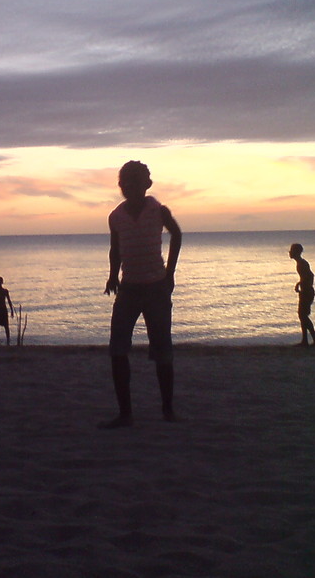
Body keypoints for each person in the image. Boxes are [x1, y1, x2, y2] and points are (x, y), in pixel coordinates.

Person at [100, 161, 182, 429]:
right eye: (125, 183)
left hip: (156, 288)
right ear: (120, 186)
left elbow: (177, 235)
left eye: (135, 182)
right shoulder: (116, 216)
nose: (129, 187)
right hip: (128, 289)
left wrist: (170, 273)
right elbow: (116, 249)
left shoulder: (158, 211)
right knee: (117, 349)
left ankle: (168, 410)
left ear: (147, 184)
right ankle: (125, 414)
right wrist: (113, 276)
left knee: (162, 350)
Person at [289, 244, 315, 347]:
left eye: (291, 250)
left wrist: (305, 287)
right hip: (305, 291)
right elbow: (306, 277)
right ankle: (305, 340)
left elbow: (310, 276)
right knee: (302, 316)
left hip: (307, 292)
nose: (289, 252)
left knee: (303, 316)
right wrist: (299, 284)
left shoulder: (302, 263)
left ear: (296, 252)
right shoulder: (300, 263)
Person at [0, 276, 15, 345]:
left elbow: (9, 301)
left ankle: (8, 341)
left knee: (5, 326)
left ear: (0, 283)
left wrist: (12, 310)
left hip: (2, 310)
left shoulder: (4, 291)